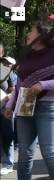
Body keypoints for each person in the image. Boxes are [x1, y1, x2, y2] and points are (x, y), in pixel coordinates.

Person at [4, 21, 54, 180]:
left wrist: (42, 85)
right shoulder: (26, 57)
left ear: (41, 35)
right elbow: (20, 84)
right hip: (24, 107)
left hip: (49, 107)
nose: (27, 34)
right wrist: (10, 106)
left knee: (50, 154)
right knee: (24, 156)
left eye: (31, 31)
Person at [0, 44, 17, 176]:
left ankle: (7, 163)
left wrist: (8, 97)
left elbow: (14, 88)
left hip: (5, 107)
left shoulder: (7, 68)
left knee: (7, 136)